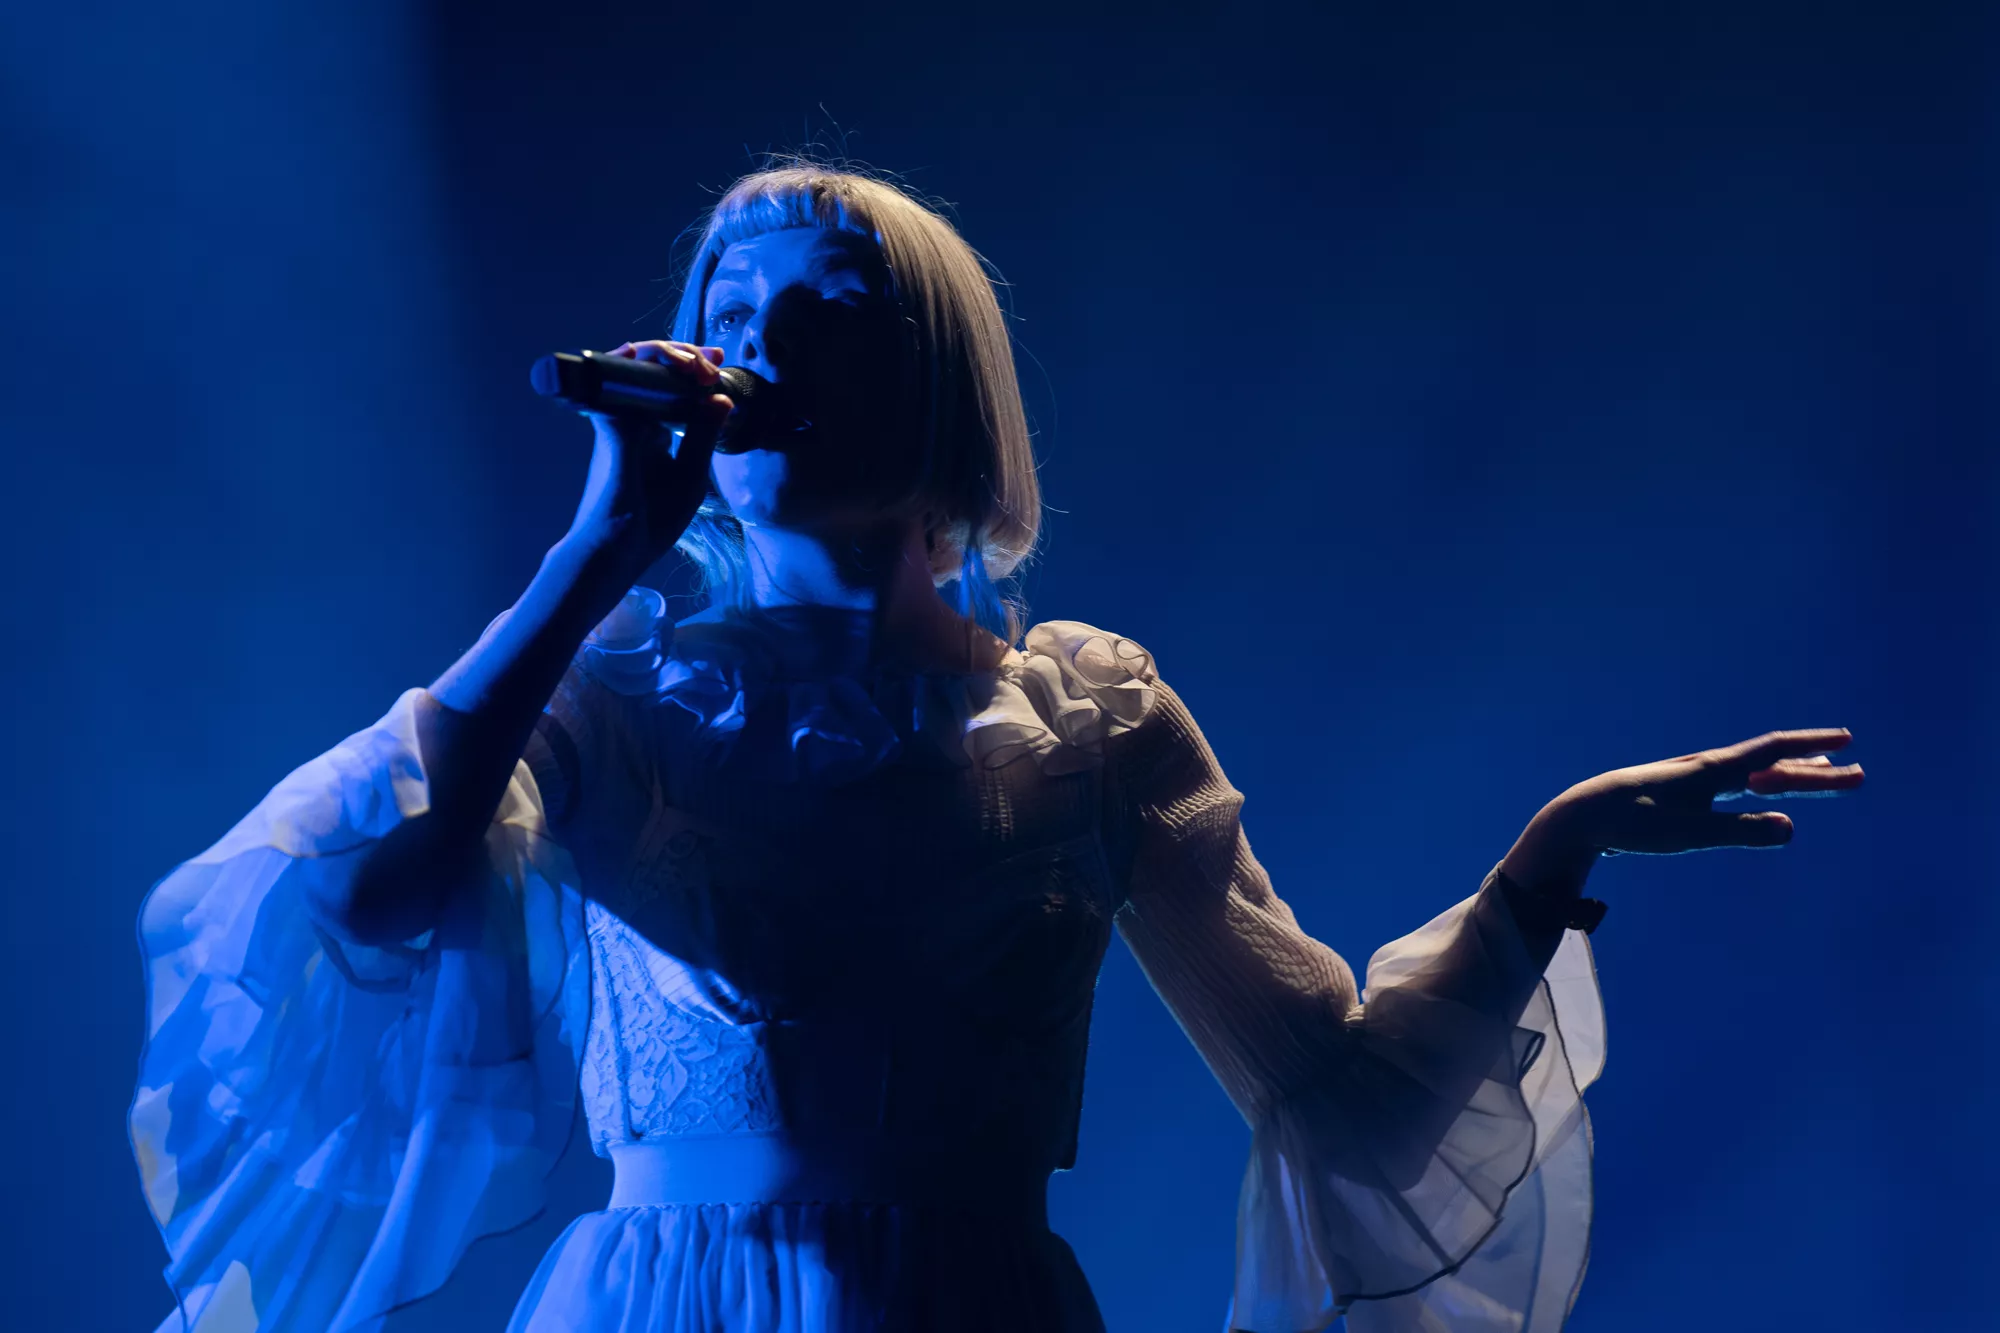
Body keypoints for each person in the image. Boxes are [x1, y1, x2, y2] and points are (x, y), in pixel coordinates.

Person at [130, 164, 1863, 1333]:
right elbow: (365, 897)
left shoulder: (1086, 721)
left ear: (943, 382)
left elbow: (1333, 1089)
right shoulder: (615, 695)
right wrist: (595, 554)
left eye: (827, 306)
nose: (758, 341)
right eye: (729, 302)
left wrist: (1553, 855)